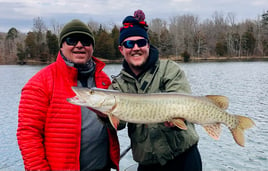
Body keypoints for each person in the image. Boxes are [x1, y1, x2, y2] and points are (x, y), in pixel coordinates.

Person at [17, 19, 119, 171]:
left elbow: (115, 121)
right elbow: (28, 134)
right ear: (61, 46)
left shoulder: (103, 80)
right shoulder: (39, 83)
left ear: (92, 47)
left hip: (103, 167)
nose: (79, 45)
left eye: (85, 41)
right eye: (71, 40)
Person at [110, 10, 202, 171]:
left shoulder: (169, 69)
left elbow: (183, 103)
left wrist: (174, 122)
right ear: (121, 49)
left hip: (183, 158)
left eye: (141, 42)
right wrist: (102, 115)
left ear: (148, 44)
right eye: (129, 44)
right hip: (148, 164)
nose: (136, 48)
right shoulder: (118, 84)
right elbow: (119, 124)